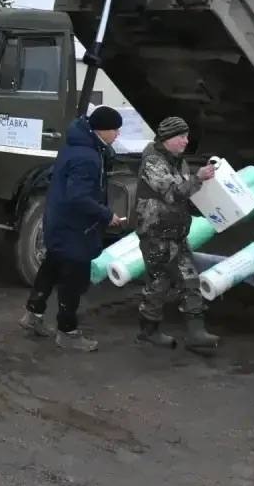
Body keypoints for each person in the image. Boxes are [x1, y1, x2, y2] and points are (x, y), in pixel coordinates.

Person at [20, 105, 125, 352]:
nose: (117, 134)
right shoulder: (87, 157)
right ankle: (67, 331)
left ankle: (33, 315)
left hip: (58, 220)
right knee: (73, 281)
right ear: (102, 130)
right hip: (75, 228)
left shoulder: (76, 145)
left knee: (51, 266)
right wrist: (107, 215)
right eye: (114, 129)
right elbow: (78, 198)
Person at [134, 116, 219, 352]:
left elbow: (184, 194)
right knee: (166, 280)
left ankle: (190, 332)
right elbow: (173, 193)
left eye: (186, 136)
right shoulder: (153, 162)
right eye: (181, 136)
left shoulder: (176, 161)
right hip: (156, 233)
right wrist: (198, 178)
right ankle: (154, 331)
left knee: (179, 279)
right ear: (168, 138)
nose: (186, 141)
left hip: (175, 232)